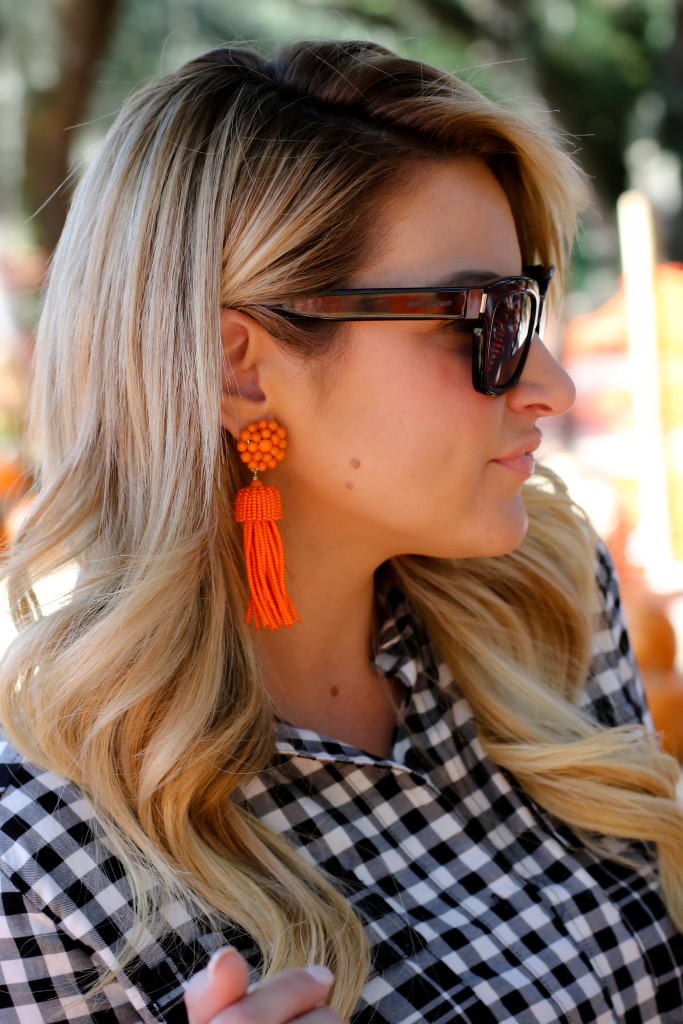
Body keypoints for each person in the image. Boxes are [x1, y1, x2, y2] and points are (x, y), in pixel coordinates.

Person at [0, 38, 681, 1024]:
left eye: (524, 306)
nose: (548, 386)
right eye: (479, 319)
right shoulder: (44, 877)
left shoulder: (543, 600)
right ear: (240, 365)